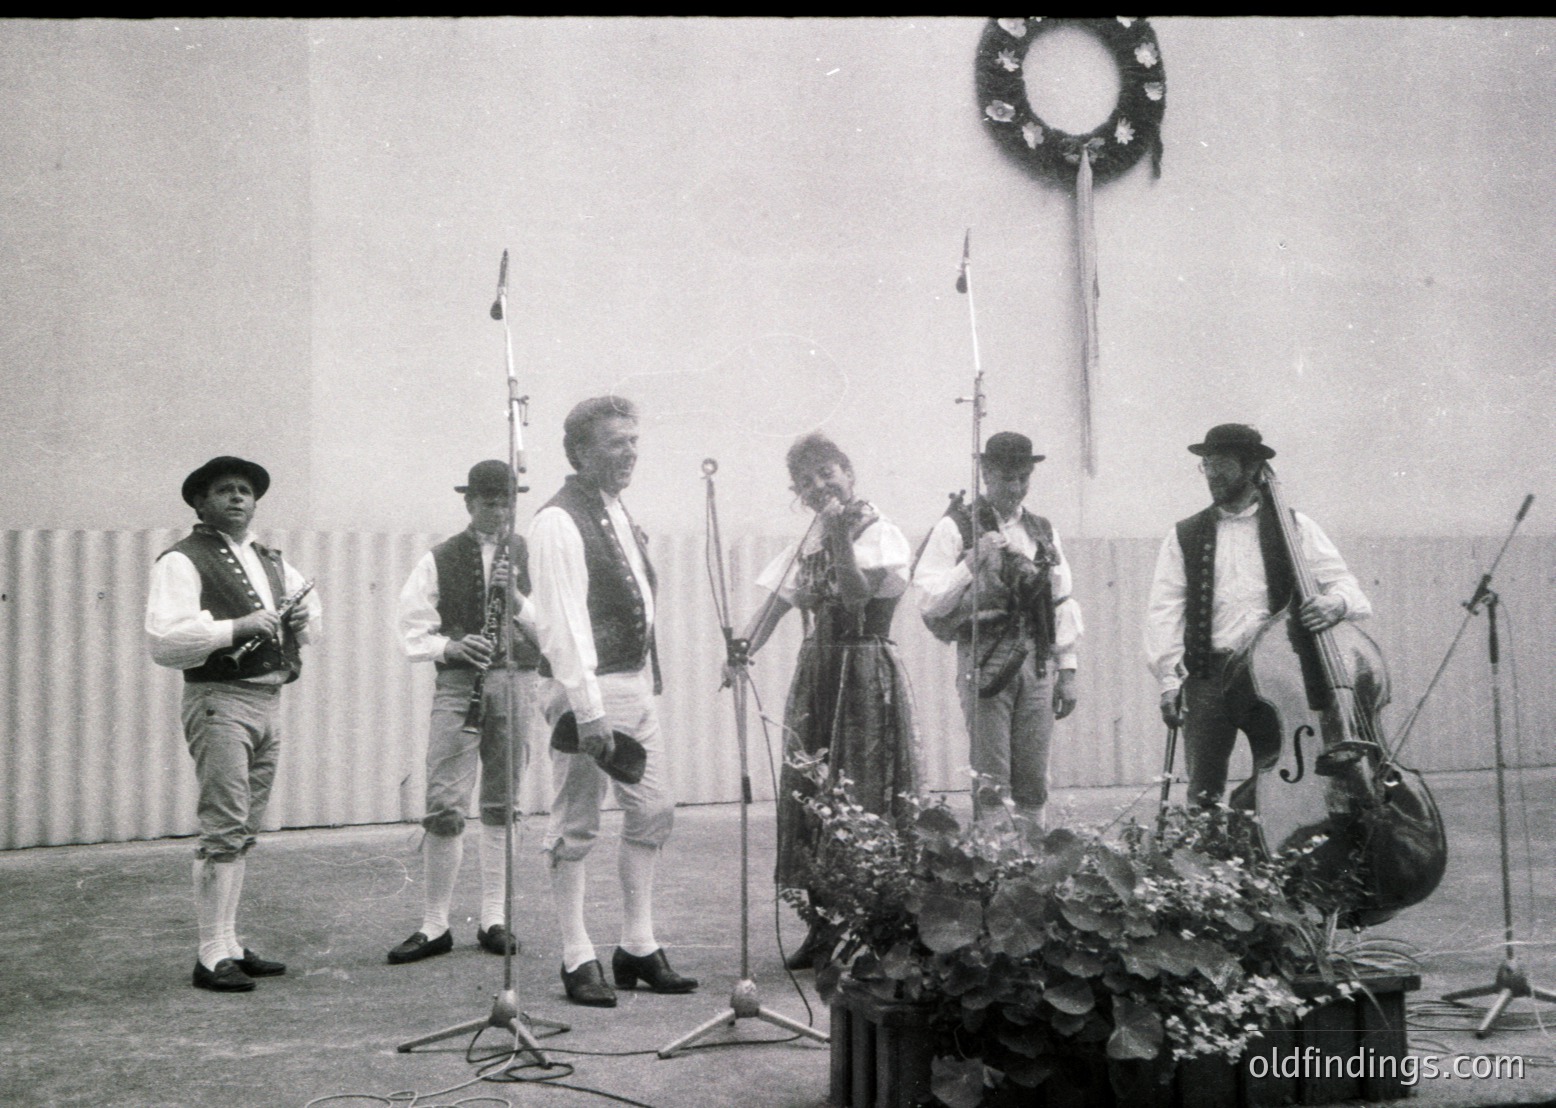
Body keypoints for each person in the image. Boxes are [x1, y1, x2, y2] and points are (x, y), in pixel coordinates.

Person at [527, 396, 697, 1007]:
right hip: (584, 690)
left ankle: (637, 946)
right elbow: (563, 623)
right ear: (579, 452)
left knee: (653, 811)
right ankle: (577, 956)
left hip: (631, 685)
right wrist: (587, 708)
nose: (629, 453)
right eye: (614, 443)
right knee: (575, 823)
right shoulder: (557, 520)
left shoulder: (617, 511)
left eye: (633, 441)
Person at [735, 431, 921, 970]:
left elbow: (858, 595)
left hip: (863, 671)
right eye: (806, 481)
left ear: (849, 470)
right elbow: (776, 605)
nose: (819, 486)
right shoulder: (810, 539)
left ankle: (871, 926)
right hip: (818, 670)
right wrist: (741, 651)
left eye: (827, 473)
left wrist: (840, 537)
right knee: (810, 792)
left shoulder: (880, 532)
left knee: (863, 792)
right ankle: (822, 925)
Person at [146, 456, 323, 992]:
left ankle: (228, 943)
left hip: (268, 700)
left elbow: (314, 625)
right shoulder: (182, 560)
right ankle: (209, 954)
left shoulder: (272, 560)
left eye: (245, 490)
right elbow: (165, 642)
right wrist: (237, 627)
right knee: (223, 825)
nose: (238, 498)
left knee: (243, 827)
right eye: (224, 490)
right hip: (219, 698)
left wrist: (298, 618)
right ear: (200, 503)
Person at [1144, 423, 1372, 807]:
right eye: (1207, 465)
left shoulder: (1295, 526)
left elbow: (1349, 589)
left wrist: (1336, 605)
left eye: (1223, 465)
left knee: (1284, 781)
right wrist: (1169, 679)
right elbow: (1164, 610)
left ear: (1251, 468)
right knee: (1203, 788)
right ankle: (1210, 861)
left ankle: (1276, 857)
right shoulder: (1184, 534)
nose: (1212, 474)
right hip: (1208, 674)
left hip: (1279, 675)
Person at [387, 460, 540, 966]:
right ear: (469, 503)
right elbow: (412, 627)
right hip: (460, 683)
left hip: (516, 679)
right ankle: (435, 924)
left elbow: (557, 628)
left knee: (503, 802)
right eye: (488, 501)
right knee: (446, 802)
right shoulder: (442, 557)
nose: (498, 510)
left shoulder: (530, 553)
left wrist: (515, 596)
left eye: (505, 502)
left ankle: (495, 918)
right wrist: (452, 646)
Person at [912, 431, 1082, 826]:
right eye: (1008, 477)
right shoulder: (956, 527)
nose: (1017, 487)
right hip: (984, 657)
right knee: (992, 775)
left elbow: (1061, 598)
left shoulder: (1042, 529)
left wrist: (1068, 670)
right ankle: (993, 869)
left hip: (1036, 659)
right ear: (986, 473)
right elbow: (929, 598)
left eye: (1024, 477)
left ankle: (1032, 873)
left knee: (1034, 775)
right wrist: (972, 563)